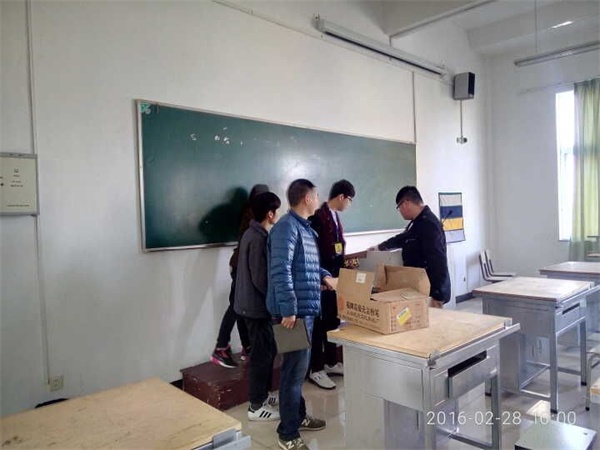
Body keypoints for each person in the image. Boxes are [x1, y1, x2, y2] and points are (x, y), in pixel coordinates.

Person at [267, 179, 337, 450]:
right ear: (307, 198)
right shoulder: (286, 227)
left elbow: (305, 266)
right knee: (292, 374)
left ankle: (297, 416)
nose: (319, 200)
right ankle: (287, 433)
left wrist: (325, 277)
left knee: (298, 371)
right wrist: (289, 309)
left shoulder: (303, 228)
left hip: (303, 311)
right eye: (316, 195)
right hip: (292, 315)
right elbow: (281, 269)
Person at [234, 191, 282, 421]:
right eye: (276, 211)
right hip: (255, 308)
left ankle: (262, 396)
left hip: (252, 306)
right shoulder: (258, 238)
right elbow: (260, 278)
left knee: (268, 350)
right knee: (262, 355)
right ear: (270, 213)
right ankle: (255, 406)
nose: (278, 214)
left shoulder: (252, 233)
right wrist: (277, 299)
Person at [211, 184, 269, 368]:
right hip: (241, 266)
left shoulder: (249, 213)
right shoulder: (252, 216)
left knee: (240, 306)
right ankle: (221, 347)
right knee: (237, 306)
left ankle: (247, 346)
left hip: (238, 264)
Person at [308, 180, 355, 390]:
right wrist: (320, 279)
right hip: (322, 282)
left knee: (333, 321)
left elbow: (337, 249)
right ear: (341, 197)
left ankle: (330, 362)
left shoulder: (335, 217)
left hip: (335, 280)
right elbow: (314, 253)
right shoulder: (318, 217)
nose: (349, 205)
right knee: (319, 325)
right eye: (350, 200)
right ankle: (316, 369)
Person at [371, 186, 450, 308]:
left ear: (406, 204)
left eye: (399, 208)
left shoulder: (428, 224)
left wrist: (438, 295)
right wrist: (380, 247)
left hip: (430, 290)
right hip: (419, 287)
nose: (400, 212)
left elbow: (438, 260)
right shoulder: (417, 222)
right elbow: (403, 238)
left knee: (430, 319)